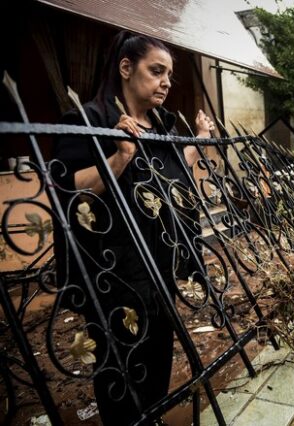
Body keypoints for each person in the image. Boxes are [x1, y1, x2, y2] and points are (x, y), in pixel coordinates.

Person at [52, 31, 215, 425]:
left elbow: (175, 173)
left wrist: (202, 140)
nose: (166, 82)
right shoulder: (90, 120)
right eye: (156, 71)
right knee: (119, 363)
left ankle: (153, 416)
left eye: (170, 75)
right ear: (126, 68)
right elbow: (67, 187)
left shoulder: (160, 123)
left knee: (157, 354)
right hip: (114, 270)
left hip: (159, 260)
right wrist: (121, 155)